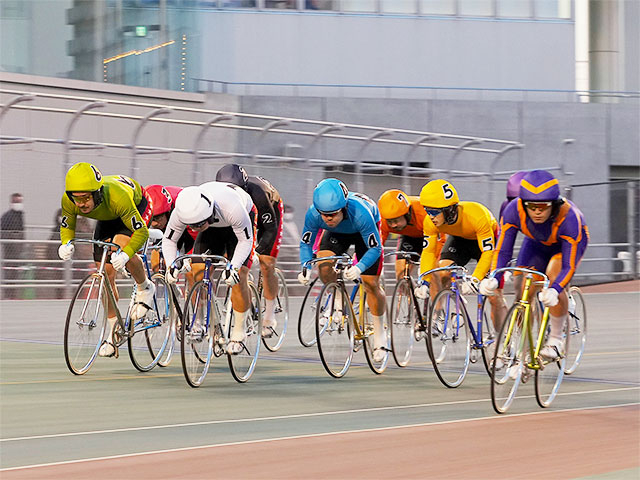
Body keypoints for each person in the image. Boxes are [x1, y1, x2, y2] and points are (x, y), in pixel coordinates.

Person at [480, 170, 589, 360]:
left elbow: (568, 267)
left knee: (553, 274)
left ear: (553, 205)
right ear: (523, 204)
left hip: (564, 247)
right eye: (531, 206)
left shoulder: (570, 218)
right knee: (523, 292)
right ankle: (526, 348)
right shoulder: (513, 210)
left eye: (543, 206)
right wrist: (495, 278)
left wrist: (555, 289)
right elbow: (503, 249)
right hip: (536, 244)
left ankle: (555, 340)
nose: (537, 212)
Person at [58, 163, 155, 357]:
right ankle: (113, 332)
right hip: (108, 215)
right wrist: (65, 243)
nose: (81, 204)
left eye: (86, 198)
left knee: (120, 247)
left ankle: (145, 286)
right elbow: (68, 226)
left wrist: (126, 253)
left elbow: (142, 232)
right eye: (76, 199)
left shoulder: (118, 197)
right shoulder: (70, 201)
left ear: (97, 193)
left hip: (135, 204)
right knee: (104, 275)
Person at [161, 181, 257, 354]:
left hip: (239, 222)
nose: (195, 228)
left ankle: (239, 330)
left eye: (198, 225)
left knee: (238, 276)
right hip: (211, 227)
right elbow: (169, 240)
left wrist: (233, 267)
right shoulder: (183, 211)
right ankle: (200, 320)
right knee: (196, 271)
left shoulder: (232, 207)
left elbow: (245, 240)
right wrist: (171, 265)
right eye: (193, 226)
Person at [298, 178, 387, 362]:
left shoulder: (361, 213)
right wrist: (306, 265)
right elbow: (306, 242)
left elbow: (375, 248)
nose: (328, 219)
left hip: (363, 230)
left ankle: (380, 334)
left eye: (333, 214)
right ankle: (337, 296)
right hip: (338, 234)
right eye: (324, 214)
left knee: (370, 283)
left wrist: (359, 267)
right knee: (323, 262)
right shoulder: (314, 214)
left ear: (344, 207)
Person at [416, 179, 506, 327]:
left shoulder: (478, 215)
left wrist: (476, 279)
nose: (430, 216)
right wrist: (424, 281)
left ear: (449, 210)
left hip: (484, 243)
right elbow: (429, 252)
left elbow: (488, 252)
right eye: (427, 210)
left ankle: (501, 338)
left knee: (494, 296)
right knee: (442, 271)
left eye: (434, 211)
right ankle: (454, 306)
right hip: (460, 240)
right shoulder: (429, 222)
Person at [216, 164, 284, 336]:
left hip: (267, 215)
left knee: (267, 264)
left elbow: (270, 229)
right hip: (240, 219)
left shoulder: (258, 195)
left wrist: (257, 251)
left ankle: (269, 314)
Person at [377, 188, 445, 280]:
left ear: (407, 214)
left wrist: (428, 265)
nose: (393, 225)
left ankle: (436, 293)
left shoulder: (424, 214)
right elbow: (377, 245)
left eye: (396, 220)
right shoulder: (384, 221)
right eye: (390, 221)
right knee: (401, 273)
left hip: (432, 237)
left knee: (433, 272)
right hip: (411, 238)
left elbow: (441, 241)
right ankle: (408, 293)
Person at [145, 184, 197, 277]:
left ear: (167, 212)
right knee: (156, 264)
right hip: (167, 228)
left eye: (158, 218)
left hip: (188, 226)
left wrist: (188, 257)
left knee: (193, 273)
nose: (154, 224)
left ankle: (198, 290)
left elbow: (197, 238)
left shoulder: (185, 206)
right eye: (151, 219)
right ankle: (172, 289)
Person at [1, 193, 25, 300]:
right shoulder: (7, 217)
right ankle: (8, 295)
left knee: (15, 274)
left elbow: (22, 232)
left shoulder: (20, 215)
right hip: (9, 251)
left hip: (17, 251)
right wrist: (14, 238)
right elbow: (3, 232)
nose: (18, 204)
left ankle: (13, 294)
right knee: (9, 274)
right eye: (16, 202)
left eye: (20, 201)